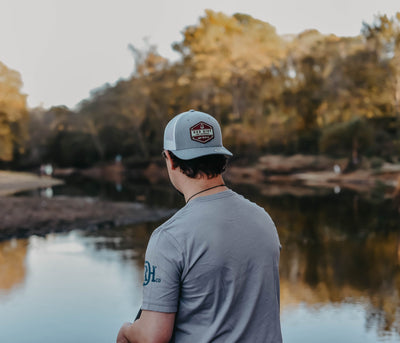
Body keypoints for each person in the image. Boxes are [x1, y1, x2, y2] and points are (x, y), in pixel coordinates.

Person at [116, 110, 282, 343]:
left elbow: (153, 337)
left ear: (170, 160)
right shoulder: (263, 218)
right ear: (221, 158)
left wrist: (126, 331)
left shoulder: (169, 237)